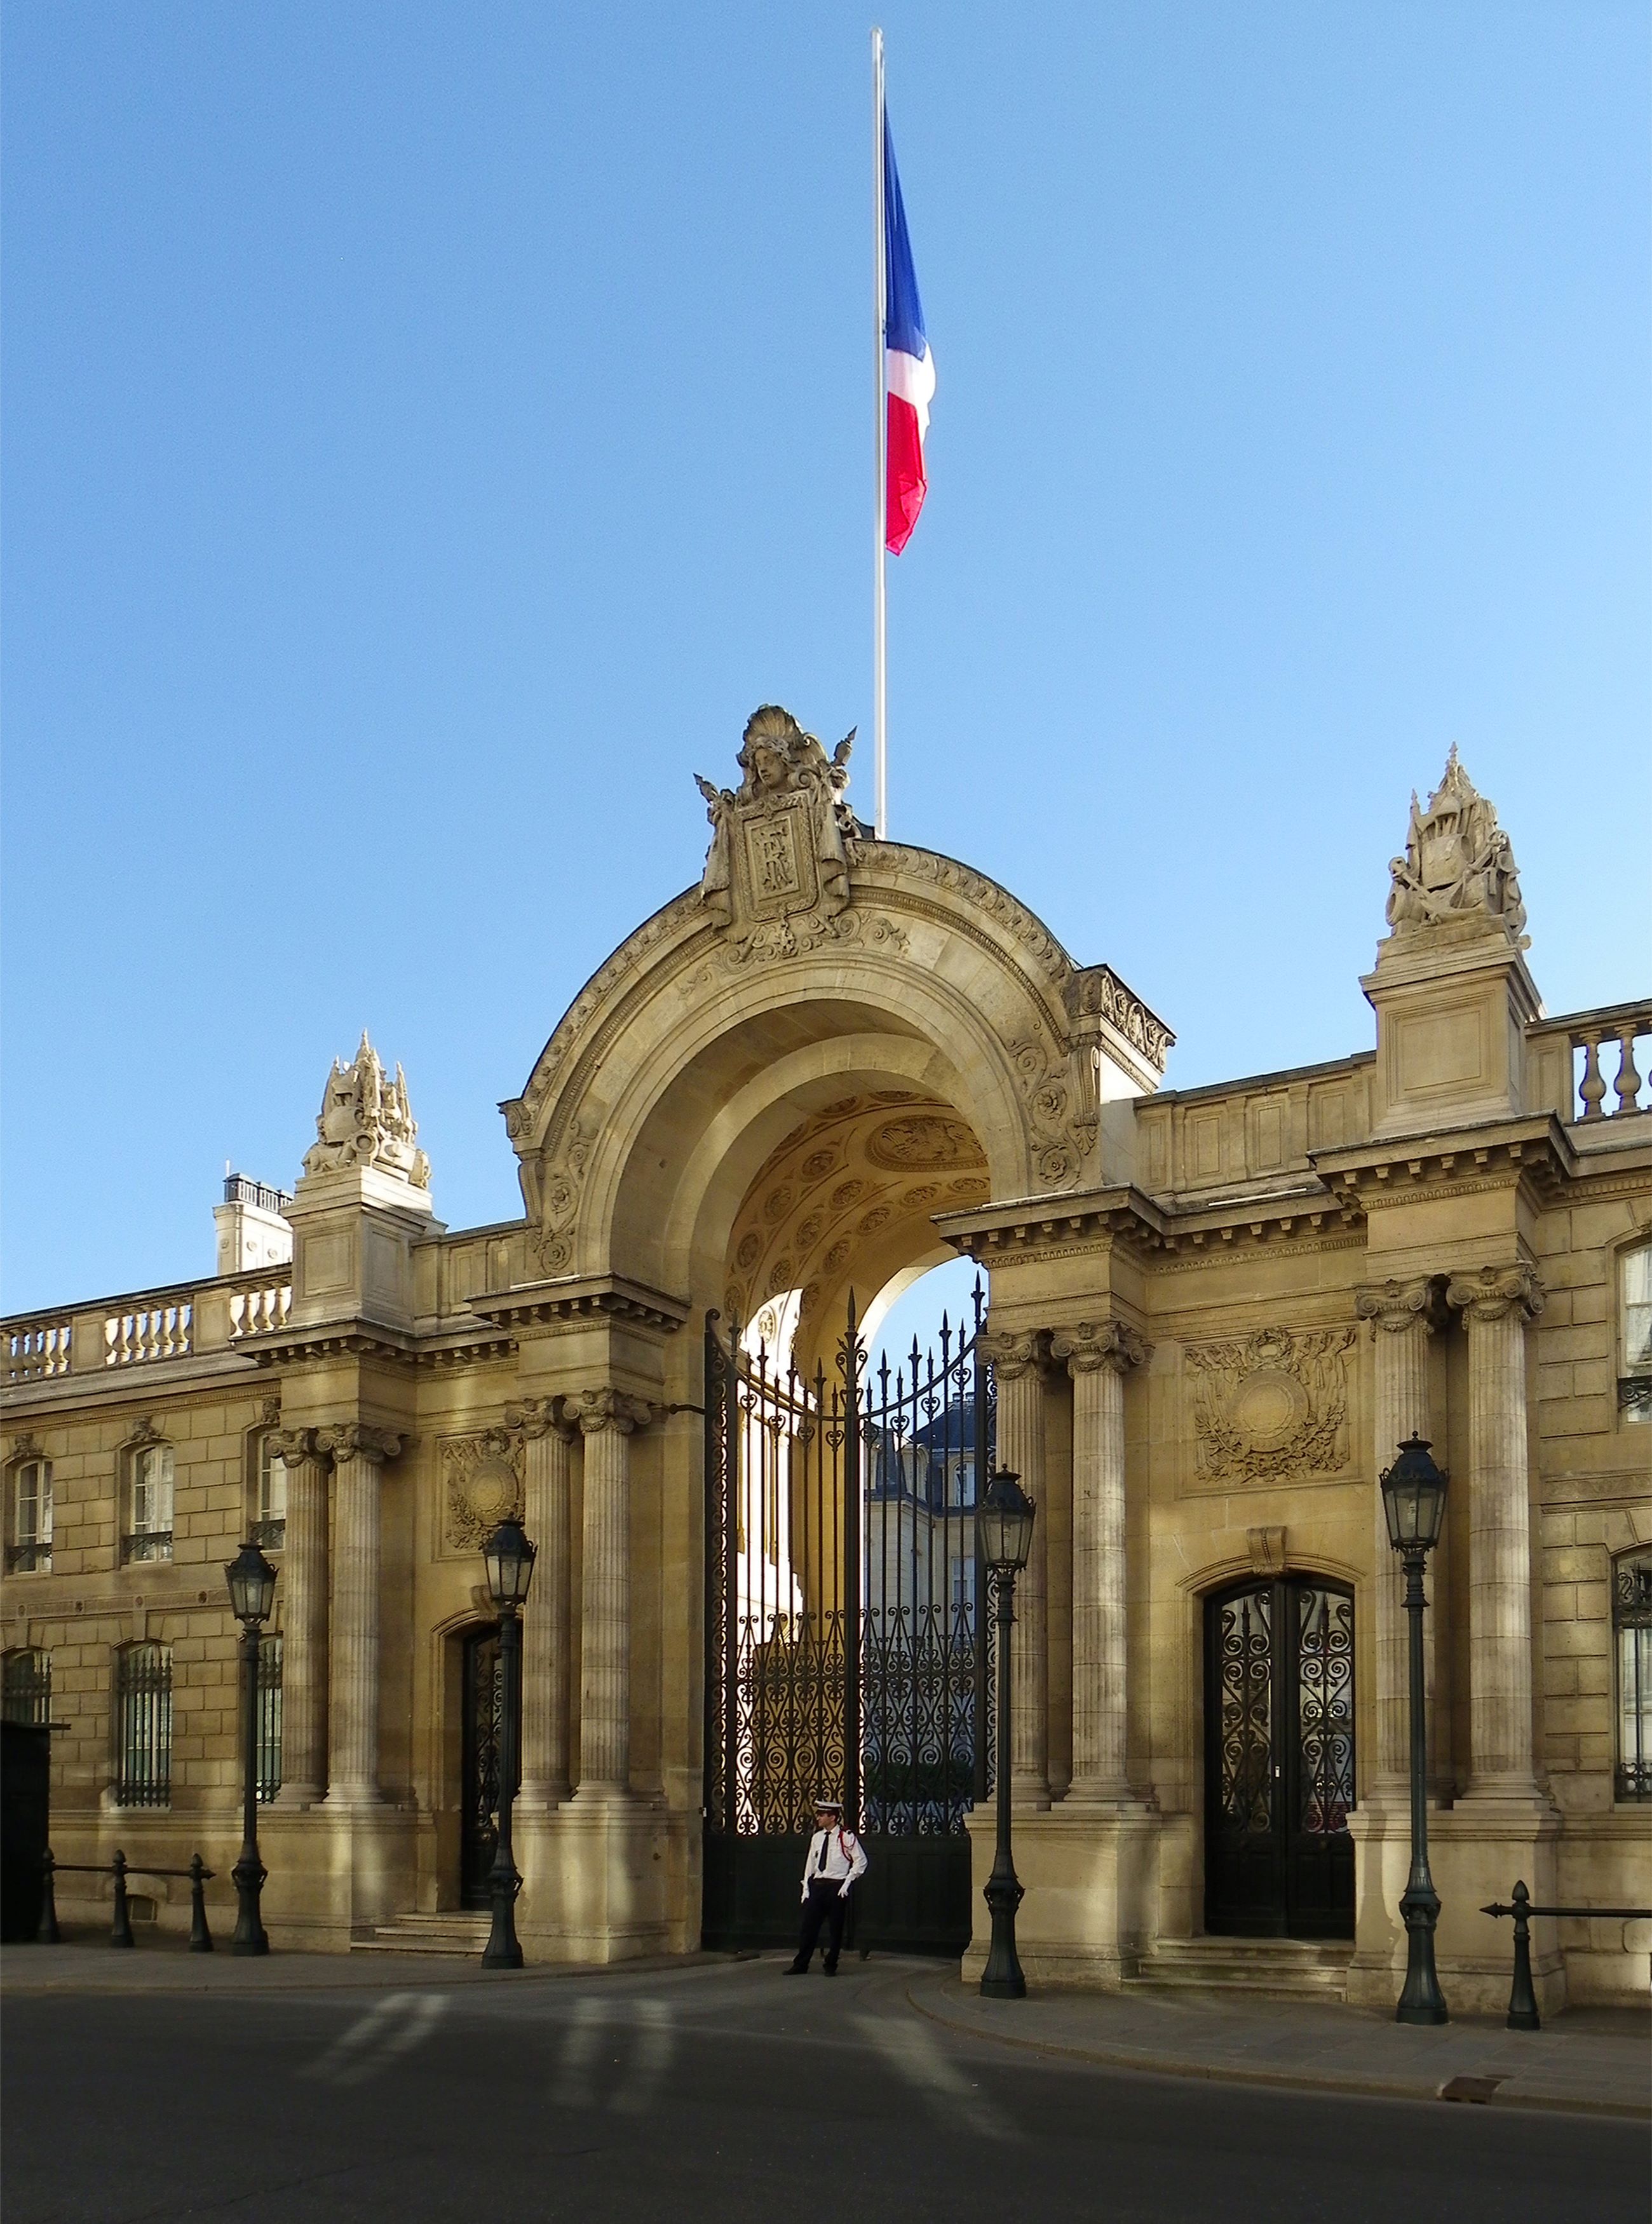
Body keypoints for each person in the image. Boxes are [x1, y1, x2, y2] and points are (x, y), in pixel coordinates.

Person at [787, 1798, 867, 1976]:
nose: (819, 1818)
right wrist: (806, 1887)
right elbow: (811, 1863)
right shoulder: (817, 1837)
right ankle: (801, 1964)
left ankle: (831, 1964)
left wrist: (848, 1881)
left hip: (836, 1886)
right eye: (819, 1814)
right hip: (818, 1886)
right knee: (809, 1926)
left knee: (835, 1928)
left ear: (833, 1817)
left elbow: (860, 1861)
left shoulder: (846, 1837)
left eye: (822, 1815)